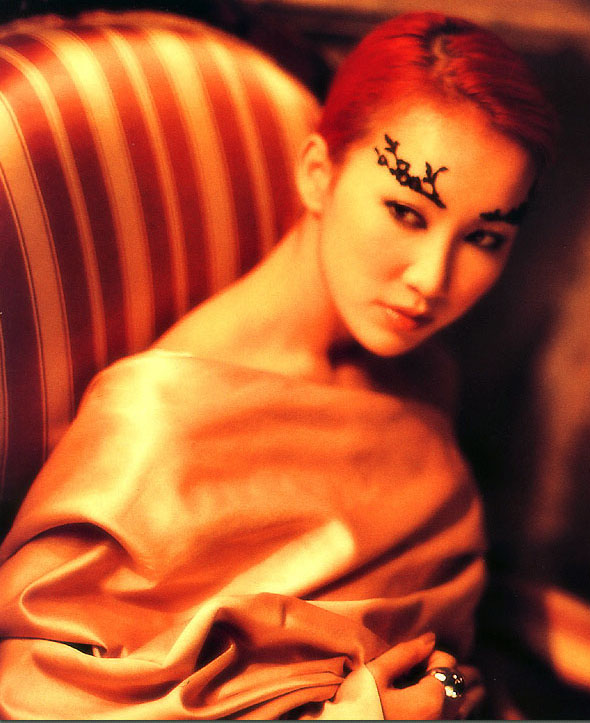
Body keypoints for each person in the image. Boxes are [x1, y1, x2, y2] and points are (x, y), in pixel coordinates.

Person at [0, 10, 556, 719]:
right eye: (407, 212)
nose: (432, 278)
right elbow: (28, 696)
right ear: (318, 173)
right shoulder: (157, 421)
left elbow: (447, 646)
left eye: (484, 237)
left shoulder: (424, 374)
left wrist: (444, 693)